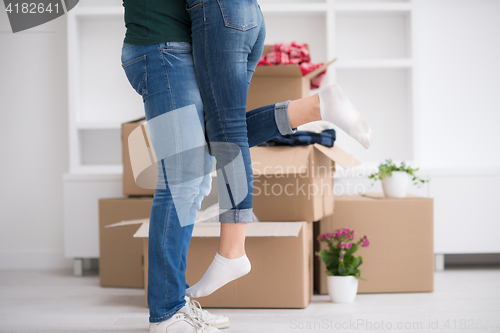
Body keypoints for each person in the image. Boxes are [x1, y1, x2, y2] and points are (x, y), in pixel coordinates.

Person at [120, 0, 372, 332]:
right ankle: (167, 313)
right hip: (163, 47)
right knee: (185, 177)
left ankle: (175, 305)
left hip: (194, 37)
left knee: (209, 155)